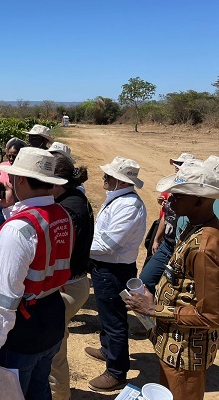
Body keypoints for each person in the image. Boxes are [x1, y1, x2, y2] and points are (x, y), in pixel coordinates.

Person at [0, 147, 74, 400]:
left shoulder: (18, 230)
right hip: (51, 320)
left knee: (8, 394)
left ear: (19, 180)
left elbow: (4, 300)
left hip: (20, 333)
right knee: (38, 390)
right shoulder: (62, 216)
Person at [124, 164, 219, 400]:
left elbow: (211, 315)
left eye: (178, 195)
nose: (169, 200)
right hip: (174, 346)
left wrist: (153, 309)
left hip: (186, 352)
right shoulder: (194, 226)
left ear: (199, 200)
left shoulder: (205, 247)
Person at [86, 156, 147, 391]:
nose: (104, 178)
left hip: (113, 269)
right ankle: (107, 350)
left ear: (121, 181)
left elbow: (107, 244)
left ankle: (117, 371)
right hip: (105, 267)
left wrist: (79, 245)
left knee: (114, 320)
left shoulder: (128, 205)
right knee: (107, 314)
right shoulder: (118, 199)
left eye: (109, 175)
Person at [48, 154, 94, 400]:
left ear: (56, 182)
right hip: (76, 283)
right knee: (56, 343)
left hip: (68, 287)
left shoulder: (67, 210)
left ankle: (58, 395)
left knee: (54, 350)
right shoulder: (77, 199)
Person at [140, 152, 197, 293]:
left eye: (180, 164)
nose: (176, 167)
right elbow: (166, 215)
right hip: (167, 245)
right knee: (146, 280)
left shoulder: (194, 198)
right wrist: (157, 239)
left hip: (181, 249)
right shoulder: (173, 189)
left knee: (175, 288)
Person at [0, 137, 27, 227]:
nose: (10, 158)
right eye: (8, 156)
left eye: (14, 156)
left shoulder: (25, 170)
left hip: (18, 208)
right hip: (1, 208)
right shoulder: (3, 166)